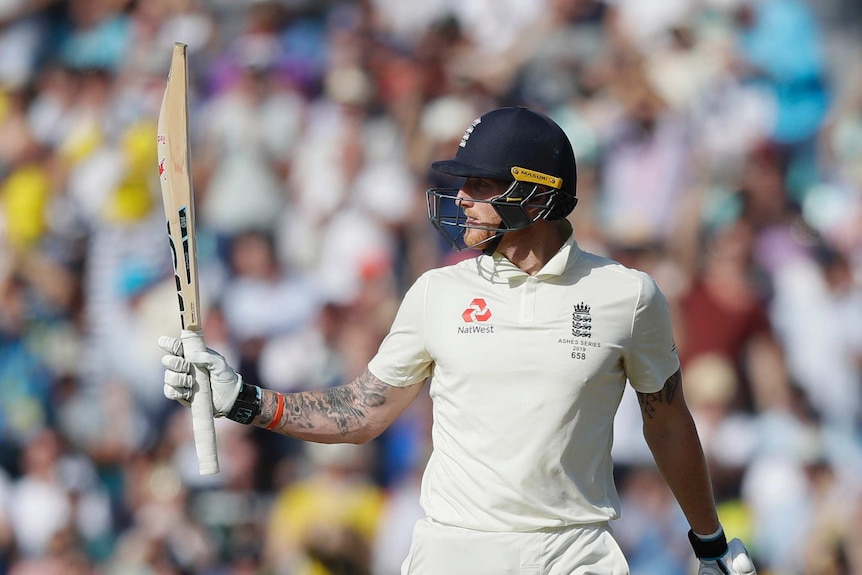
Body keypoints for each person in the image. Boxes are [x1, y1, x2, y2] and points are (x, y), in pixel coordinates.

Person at [160, 106, 757, 575]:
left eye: (480, 183)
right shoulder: (436, 293)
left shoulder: (626, 294)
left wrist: (708, 544)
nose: (462, 197)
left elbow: (669, 423)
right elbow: (364, 412)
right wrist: (244, 399)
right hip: (454, 552)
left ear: (538, 193)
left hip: (576, 553)